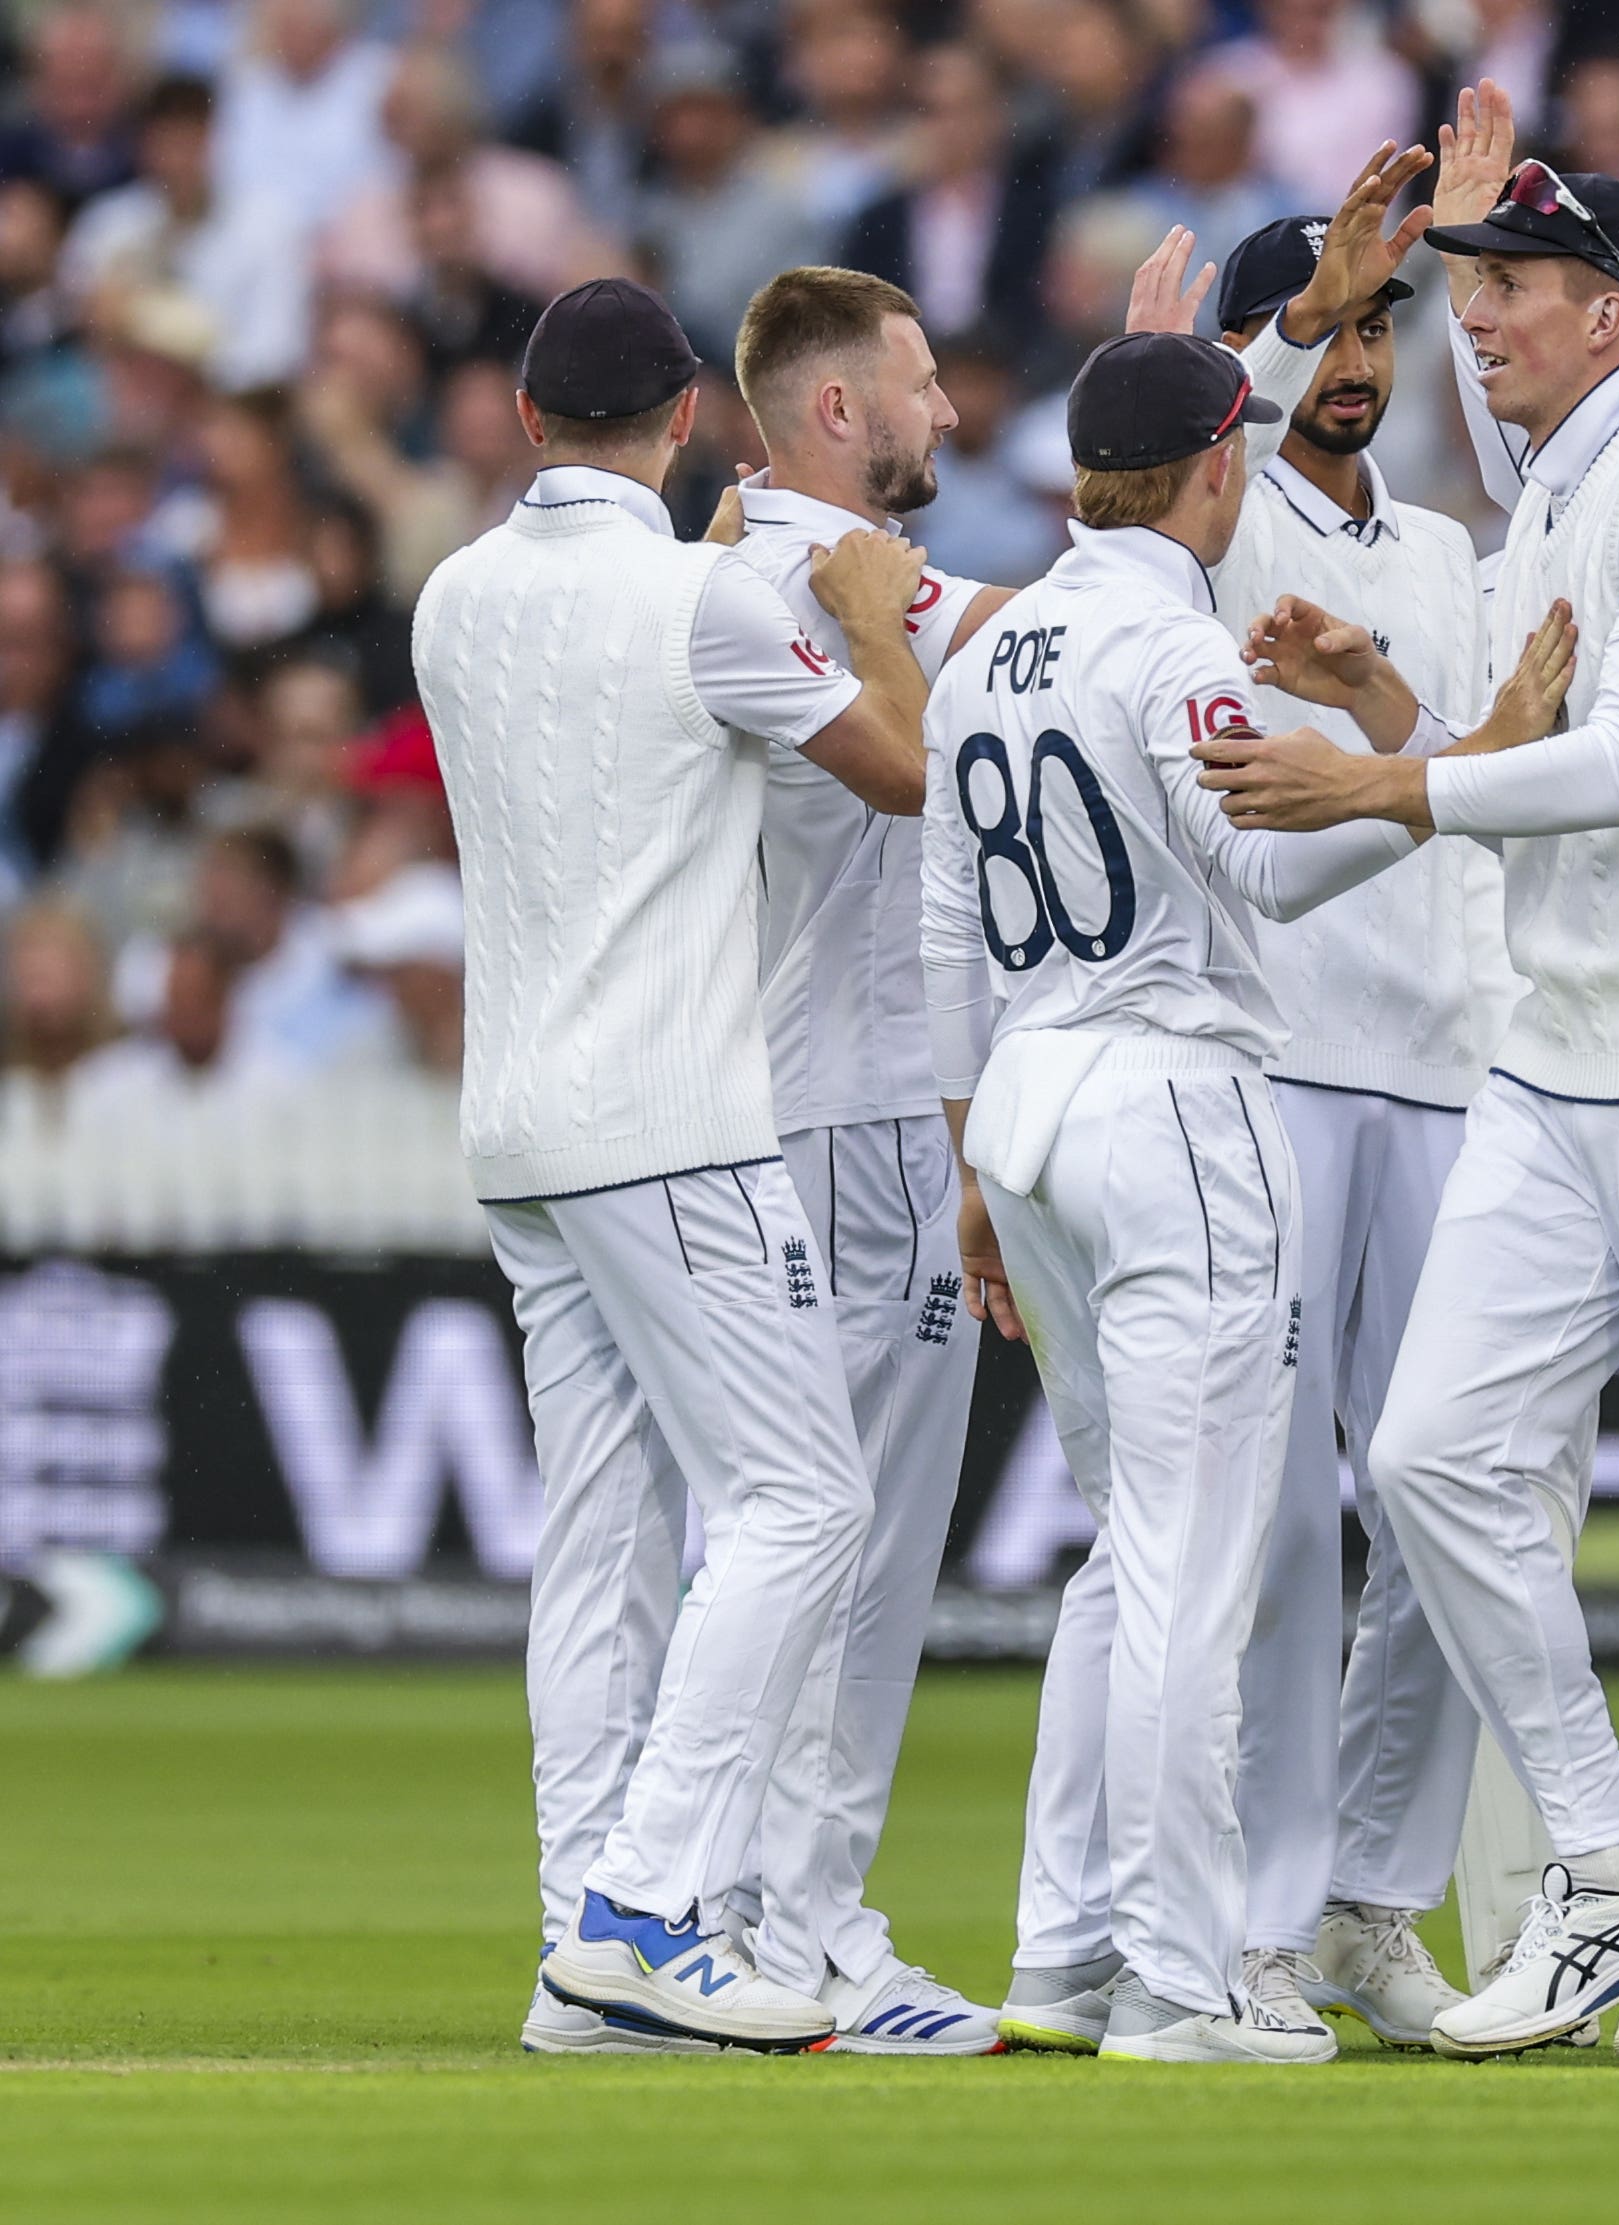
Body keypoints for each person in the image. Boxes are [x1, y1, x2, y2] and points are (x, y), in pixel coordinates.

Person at [1191, 105, 1619, 2074]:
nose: (1474, 325)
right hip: (1565, 1059)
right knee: (1435, 1463)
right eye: (1466, 292)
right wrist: (1407, 718)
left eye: (1512, 292)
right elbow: (1509, 737)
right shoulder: (1560, 487)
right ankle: (1610, 1872)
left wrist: (1381, 775)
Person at [922, 325, 1565, 2065]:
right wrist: (1443, 782)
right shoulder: (1169, 642)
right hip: (1172, 1095)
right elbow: (1266, 872)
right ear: (1217, 467)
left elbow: (940, 930)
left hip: (1032, 1104)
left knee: (1123, 1567)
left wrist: (972, 1148)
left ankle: (1061, 1955)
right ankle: (1182, 1978)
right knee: (1196, 1572)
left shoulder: (990, 649)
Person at [424, 279, 929, 2054]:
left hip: (517, 1138)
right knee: (807, 1502)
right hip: (675, 1126)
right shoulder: (703, 597)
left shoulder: (450, 595)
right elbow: (908, 776)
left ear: (520, 416)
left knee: (603, 1536)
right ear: (692, 422)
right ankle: (642, 1913)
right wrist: (868, 621)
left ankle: (582, 1937)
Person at [1201, 188, 1514, 2053]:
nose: (1357, 361)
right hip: (1267, 1048)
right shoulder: (1204, 521)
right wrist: (1266, 330)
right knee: (1263, 1514)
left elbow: (1481, 771)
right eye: (1324, 329)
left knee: (1450, 1502)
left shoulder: (1453, 548)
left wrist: (1381, 706)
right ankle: (1243, 1913)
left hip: (1441, 1058)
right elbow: (1173, 429)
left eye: (1381, 327)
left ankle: (1365, 1907)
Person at [704, 262, 1019, 2055]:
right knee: (857, 1545)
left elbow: (1065, 629)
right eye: (919, 385)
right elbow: (924, 746)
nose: (948, 414)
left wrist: (1248, 379)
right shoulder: (796, 591)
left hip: (805, 1110)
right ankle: (802, 1929)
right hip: (854, 1116)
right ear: (839, 409)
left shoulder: (771, 572)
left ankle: (751, 1910)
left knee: (796, 1535)